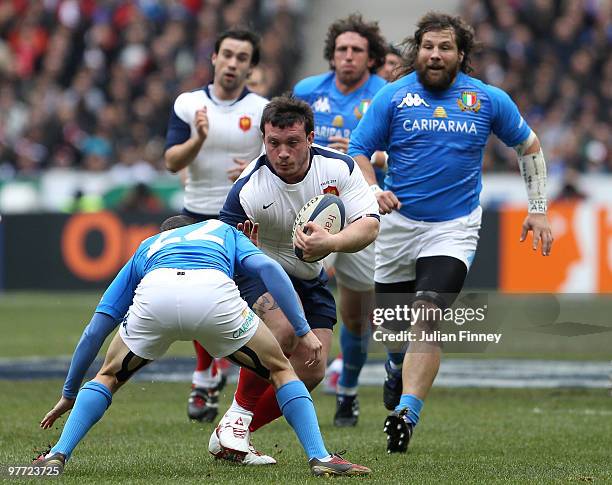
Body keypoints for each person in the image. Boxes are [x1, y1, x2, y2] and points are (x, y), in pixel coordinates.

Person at [348, 12, 554, 453]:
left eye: (445, 47)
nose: (435, 55)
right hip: (398, 226)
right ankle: (395, 363)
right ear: (416, 51)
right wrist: (372, 190)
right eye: (428, 47)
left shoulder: (487, 100)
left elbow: (529, 146)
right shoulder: (393, 96)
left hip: (454, 229)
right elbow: (358, 151)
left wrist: (538, 209)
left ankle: (406, 414)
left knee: (427, 314)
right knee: (395, 330)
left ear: (461, 54)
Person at [34, 215, 371, 477]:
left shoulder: (148, 246)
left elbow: (96, 329)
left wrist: (68, 392)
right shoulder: (220, 231)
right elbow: (269, 267)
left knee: (107, 376)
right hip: (212, 292)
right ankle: (321, 457)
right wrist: (303, 329)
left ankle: (58, 454)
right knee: (282, 370)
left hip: (157, 292)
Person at [210, 94, 380, 462]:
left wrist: (330, 242)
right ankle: (238, 415)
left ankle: (235, 431)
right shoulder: (249, 188)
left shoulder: (339, 168)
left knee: (313, 367)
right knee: (283, 332)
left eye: (292, 142)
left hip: (310, 274)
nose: (282, 152)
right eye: (273, 143)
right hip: (261, 270)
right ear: (263, 140)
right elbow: (223, 245)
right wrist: (243, 250)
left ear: (311, 138)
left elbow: (369, 225)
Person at [164, 29, 268, 424]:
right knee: (195, 296)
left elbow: (282, 159)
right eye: (227, 55)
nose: (233, 63)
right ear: (213, 57)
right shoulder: (188, 104)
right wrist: (198, 139)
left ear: (250, 66)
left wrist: (257, 166)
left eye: (242, 58)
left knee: (242, 304)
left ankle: (223, 380)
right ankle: (205, 376)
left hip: (242, 218)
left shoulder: (262, 109)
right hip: (195, 214)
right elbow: (173, 161)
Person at [292, 13, 387, 427]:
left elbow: (404, 152)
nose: (348, 57)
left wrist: (370, 154)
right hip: (309, 208)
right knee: (287, 298)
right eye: (342, 50)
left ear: (371, 58)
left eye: (357, 51)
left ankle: (347, 388)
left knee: (355, 316)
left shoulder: (387, 94)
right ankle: (285, 383)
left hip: (361, 212)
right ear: (332, 54)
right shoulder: (307, 91)